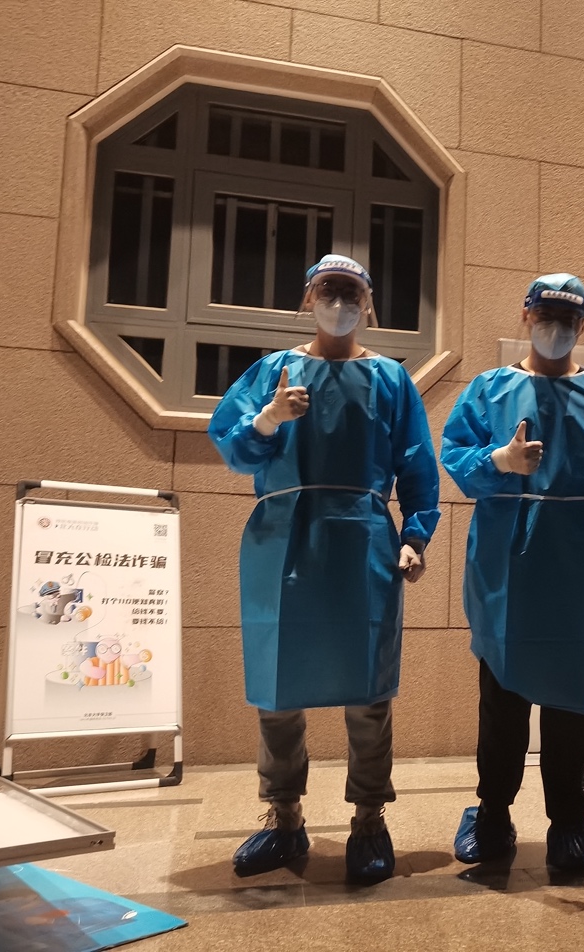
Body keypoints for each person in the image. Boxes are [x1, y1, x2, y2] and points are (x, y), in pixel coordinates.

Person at [209, 254, 441, 885]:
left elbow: (417, 465)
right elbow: (232, 444)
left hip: (362, 539)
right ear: (307, 298)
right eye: (327, 289)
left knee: (368, 689)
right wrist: (268, 419)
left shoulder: (390, 379)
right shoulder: (272, 372)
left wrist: (415, 535)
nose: (339, 301)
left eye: (350, 292)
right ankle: (284, 818)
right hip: (283, 536)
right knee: (278, 688)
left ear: (368, 304)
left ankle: (369, 819)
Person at [441, 273, 584, 873]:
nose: (557, 327)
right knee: (503, 701)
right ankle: (492, 812)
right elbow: (455, 457)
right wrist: (500, 459)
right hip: (509, 575)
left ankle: (569, 821)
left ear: (583, 324)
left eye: (568, 319)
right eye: (546, 315)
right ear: (525, 316)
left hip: (579, 571)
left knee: (571, 704)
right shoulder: (490, 389)